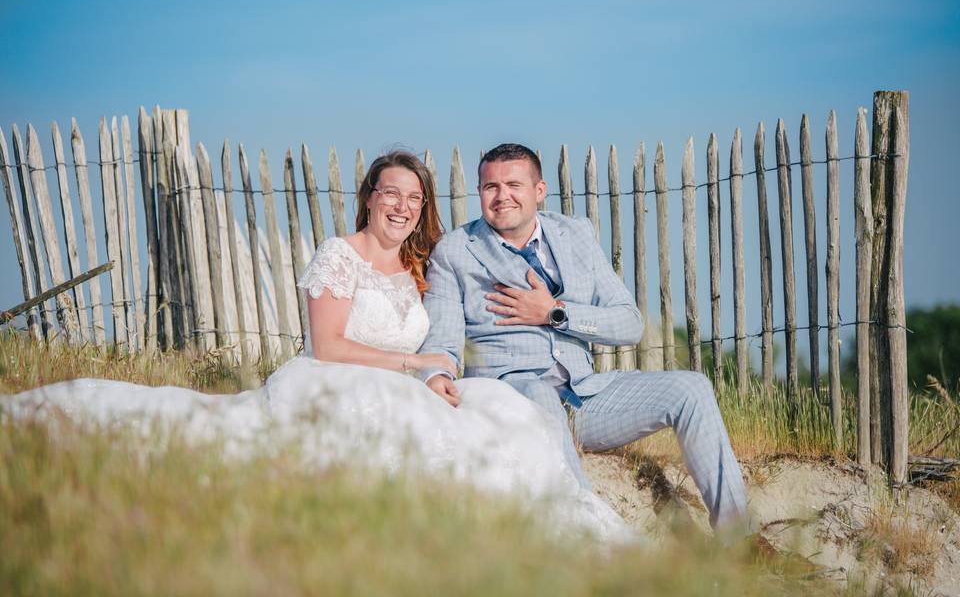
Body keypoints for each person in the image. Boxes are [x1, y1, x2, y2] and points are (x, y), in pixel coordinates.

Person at [1, 150, 631, 540]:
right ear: (369, 197)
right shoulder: (339, 255)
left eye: (414, 198)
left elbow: (441, 334)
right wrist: (413, 362)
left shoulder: (419, 269)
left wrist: (438, 368)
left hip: (404, 391)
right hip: (337, 382)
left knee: (494, 425)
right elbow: (326, 346)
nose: (403, 207)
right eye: (391, 193)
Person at [418, 143, 749, 535]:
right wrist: (437, 374)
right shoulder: (456, 250)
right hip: (514, 395)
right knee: (540, 395)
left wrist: (555, 313)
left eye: (513, 185)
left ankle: (739, 539)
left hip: (586, 396)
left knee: (691, 387)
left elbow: (629, 323)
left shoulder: (575, 234)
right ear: (480, 193)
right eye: (491, 187)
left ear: (539, 191)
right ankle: (592, 539)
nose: (502, 196)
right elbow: (442, 337)